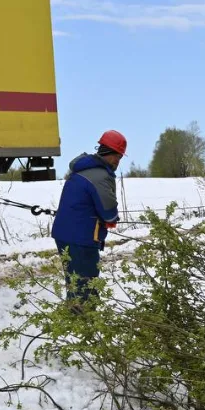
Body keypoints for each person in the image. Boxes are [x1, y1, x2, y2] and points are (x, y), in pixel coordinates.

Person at [51, 130, 126, 309]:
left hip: (64, 233)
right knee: (86, 283)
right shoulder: (100, 175)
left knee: (73, 279)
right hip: (81, 237)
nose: (118, 161)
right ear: (107, 152)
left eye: (121, 157)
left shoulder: (82, 169)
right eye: (117, 156)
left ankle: (73, 316)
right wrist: (113, 218)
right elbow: (108, 211)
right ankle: (85, 323)